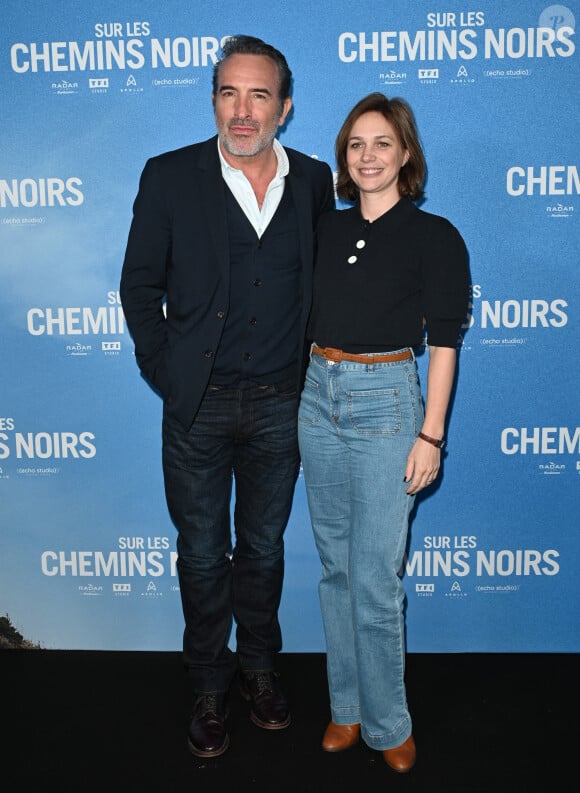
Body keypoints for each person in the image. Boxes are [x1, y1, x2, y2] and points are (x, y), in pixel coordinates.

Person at [120, 34, 335, 758]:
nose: (242, 112)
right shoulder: (170, 176)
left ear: (285, 106)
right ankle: (210, 682)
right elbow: (139, 286)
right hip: (198, 407)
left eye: (259, 95)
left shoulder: (312, 181)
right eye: (228, 93)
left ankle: (260, 668)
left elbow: (327, 286)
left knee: (265, 550)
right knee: (204, 554)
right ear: (213, 98)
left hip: (282, 404)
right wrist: (167, 371)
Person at [297, 92, 470, 773]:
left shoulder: (436, 236)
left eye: (382, 144)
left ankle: (388, 719)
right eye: (355, 144)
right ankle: (347, 708)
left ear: (406, 155)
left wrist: (430, 435)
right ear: (345, 156)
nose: (367, 156)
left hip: (387, 403)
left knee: (373, 575)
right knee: (335, 569)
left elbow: (447, 343)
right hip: (317, 397)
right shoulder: (323, 231)